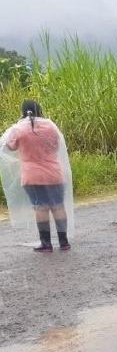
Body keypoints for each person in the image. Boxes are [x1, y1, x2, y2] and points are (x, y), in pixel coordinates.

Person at [0, 100, 74, 252]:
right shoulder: (50, 127)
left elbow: (10, 146)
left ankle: (46, 244)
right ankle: (64, 242)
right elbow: (56, 146)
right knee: (58, 205)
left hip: (32, 175)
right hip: (54, 173)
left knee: (40, 207)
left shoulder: (18, 129)